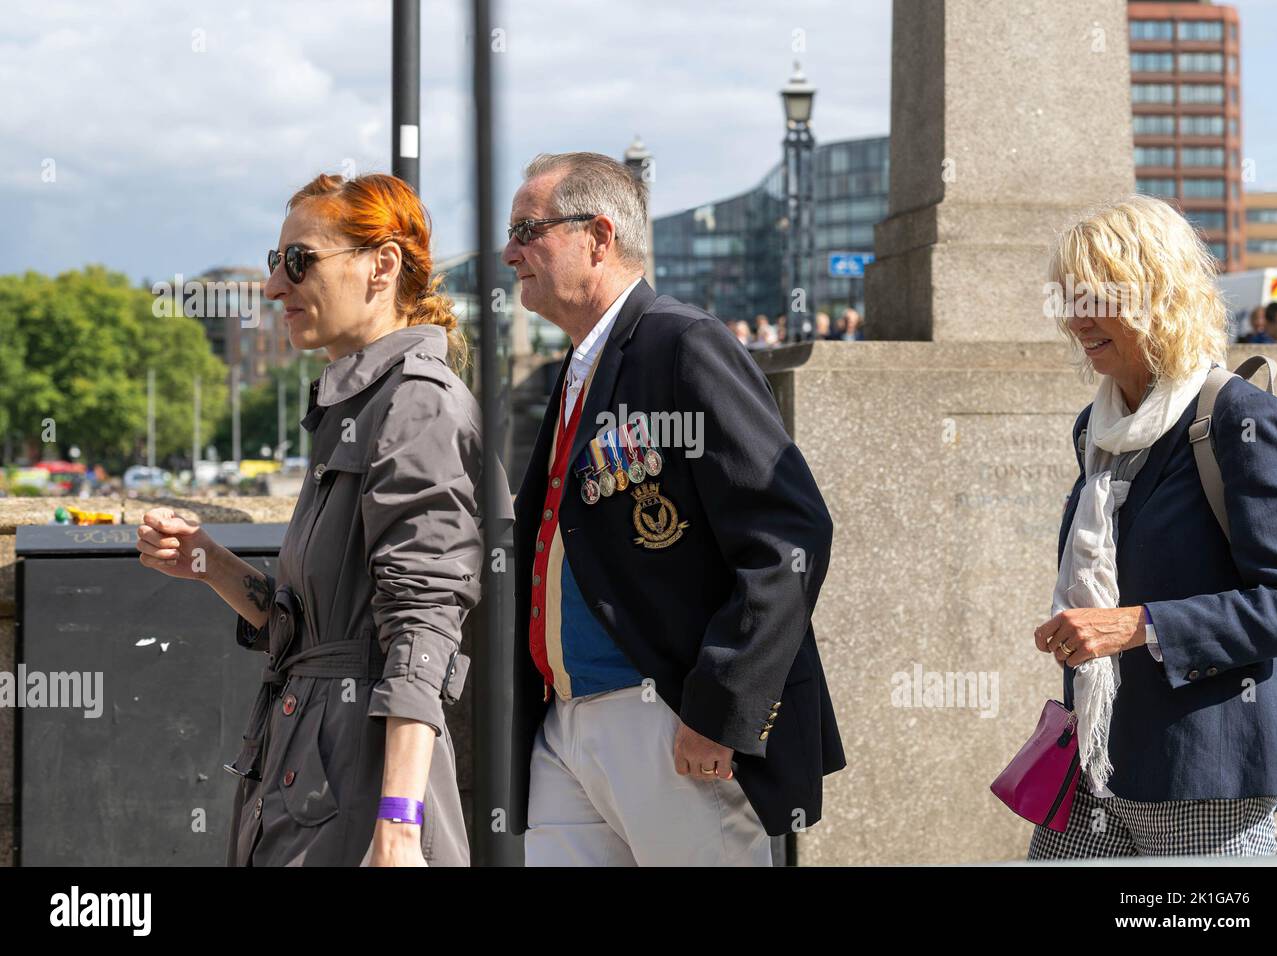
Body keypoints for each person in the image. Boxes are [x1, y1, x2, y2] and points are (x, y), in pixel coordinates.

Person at [136, 173, 493, 867]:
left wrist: (397, 827)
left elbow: (424, 627)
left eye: (299, 261)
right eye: (275, 263)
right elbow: (305, 625)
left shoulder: (417, 405)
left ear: (381, 266)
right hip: (305, 772)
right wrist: (208, 562)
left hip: (355, 792)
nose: (275, 288)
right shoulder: (359, 407)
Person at [502, 152, 844, 866]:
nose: (510, 253)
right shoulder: (578, 365)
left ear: (598, 237)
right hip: (565, 724)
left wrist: (720, 709)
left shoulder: (684, 342)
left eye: (527, 230)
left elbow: (789, 534)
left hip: (667, 724)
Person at [1029, 194, 1277, 859]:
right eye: (1070, 300)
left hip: (1204, 770)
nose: (1077, 320)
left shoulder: (1237, 418)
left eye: (1098, 299)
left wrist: (1136, 625)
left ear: (1158, 296)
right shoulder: (1095, 428)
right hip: (1095, 757)